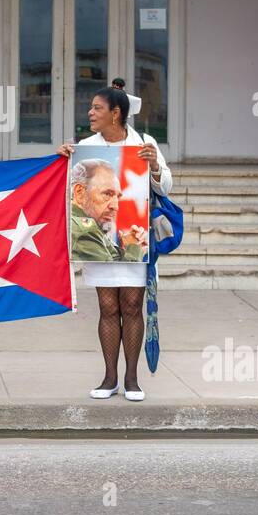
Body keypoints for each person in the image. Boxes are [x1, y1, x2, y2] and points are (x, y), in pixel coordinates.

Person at [59, 86, 172, 403]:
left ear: (116, 113)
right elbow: (71, 187)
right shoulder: (85, 147)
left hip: (136, 241)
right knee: (108, 307)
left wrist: (154, 166)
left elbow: (165, 185)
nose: (90, 113)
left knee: (132, 306)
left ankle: (132, 379)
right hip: (98, 243)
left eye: (96, 108)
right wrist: (62, 160)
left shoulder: (143, 143)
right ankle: (109, 377)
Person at [70, 158, 146, 263]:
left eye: (118, 197)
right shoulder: (85, 232)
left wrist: (127, 248)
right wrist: (133, 249)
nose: (115, 207)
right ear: (80, 192)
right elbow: (116, 277)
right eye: (107, 194)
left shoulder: (89, 226)